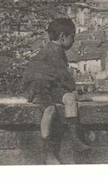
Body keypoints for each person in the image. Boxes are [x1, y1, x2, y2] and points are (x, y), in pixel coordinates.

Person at [22, 17, 90, 164]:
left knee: (69, 99)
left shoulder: (56, 49)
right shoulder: (54, 50)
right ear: (63, 36)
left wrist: (72, 93)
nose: (73, 41)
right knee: (50, 110)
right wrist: (76, 90)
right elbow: (63, 75)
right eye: (72, 37)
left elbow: (58, 77)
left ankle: (74, 138)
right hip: (37, 85)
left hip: (50, 84)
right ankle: (48, 151)